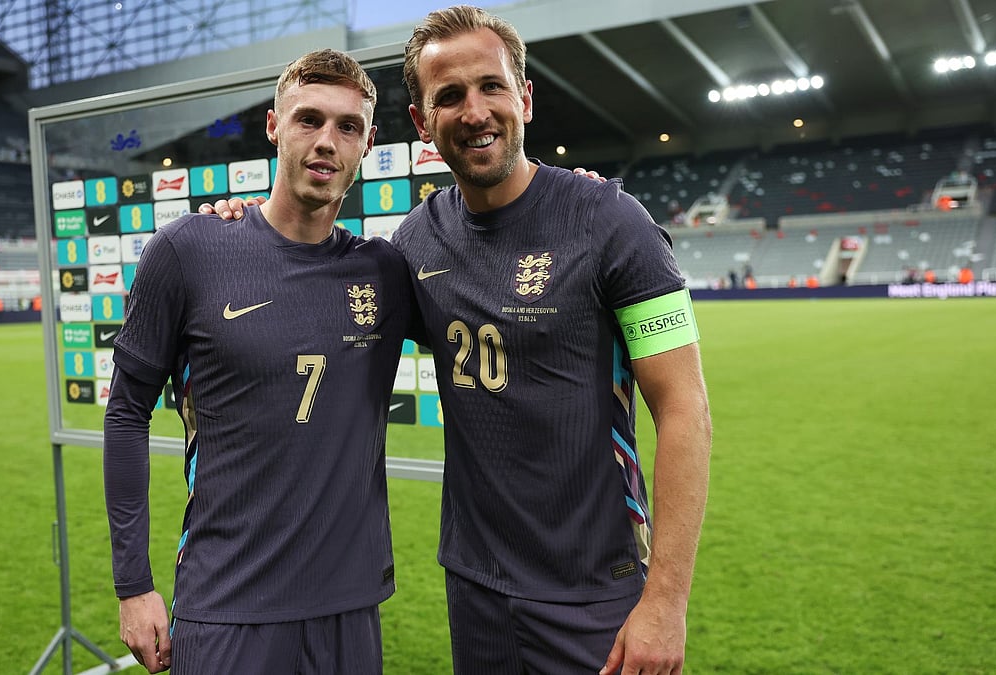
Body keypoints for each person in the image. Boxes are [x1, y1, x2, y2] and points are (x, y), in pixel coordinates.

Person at [206, 7, 711, 674]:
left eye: (491, 86)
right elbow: (316, 290)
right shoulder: (414, 244)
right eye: (449, 96)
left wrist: (666, 600)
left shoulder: (613, 222)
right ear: (422, 124)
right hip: (476, 589)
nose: (474, 111)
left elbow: (685, 409)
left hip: (596, 590)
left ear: (524, 98)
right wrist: (239, 230)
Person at [104, 49, 414, 674]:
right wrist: (133, 584)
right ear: (274, 127)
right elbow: (126, 414)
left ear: (368, 143)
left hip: (350, 608)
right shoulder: (188, 250)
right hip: (227, 604)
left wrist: (572, 198)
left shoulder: (384, 272)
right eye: (309, 120)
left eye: (347, 127)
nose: (327, 141)